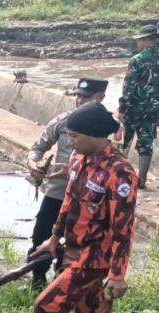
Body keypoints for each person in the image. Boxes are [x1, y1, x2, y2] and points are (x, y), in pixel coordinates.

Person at [27, 103, 136, 313]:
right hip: (72, 248)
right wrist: (54, 237)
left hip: (95, 256)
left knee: (46, 307)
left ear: (94, 135)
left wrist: (117, 274)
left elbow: (123, 227)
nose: (70, 141)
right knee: (89, 310)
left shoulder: (120, 172)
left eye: (75, 136)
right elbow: (69, 202)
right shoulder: (78, 159)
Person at [26, 77, 108, 291]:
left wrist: (74, 172)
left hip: (89, 197)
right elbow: (38, 146)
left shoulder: (108, 127)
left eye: (86, 97)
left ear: (100, 98)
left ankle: (66, 282)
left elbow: (109, 165)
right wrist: (34, 163)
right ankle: (37, 281)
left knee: (79, 240)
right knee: (42, 235)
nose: (80, 101)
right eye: (78, 96)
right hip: (57, 192)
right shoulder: (62, 121)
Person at [119, 24, 159, 188]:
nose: (137, 43)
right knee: (146, 143)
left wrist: (122, 108)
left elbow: (129, 86)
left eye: (139, 40)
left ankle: (121, 176)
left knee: (125, 141)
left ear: (146, 39)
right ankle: (141, 179)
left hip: (134, 107)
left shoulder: (137, 59)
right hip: (153, 107)